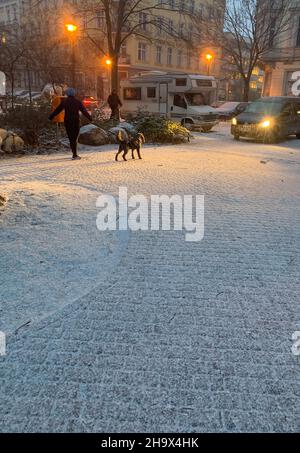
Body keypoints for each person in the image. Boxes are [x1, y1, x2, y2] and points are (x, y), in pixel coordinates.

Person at [49, 87, 92, 160]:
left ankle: (74, 153)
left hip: (67, 121)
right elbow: (84, 111)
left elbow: (57, 110)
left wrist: (51, 117)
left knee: (71, 138)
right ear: (74, 94)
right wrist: (90, 118)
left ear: (67, 94)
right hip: (75, 121)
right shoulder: (78, 102)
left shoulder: (64, 102)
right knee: (75, 138)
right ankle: (74, 154)